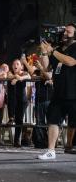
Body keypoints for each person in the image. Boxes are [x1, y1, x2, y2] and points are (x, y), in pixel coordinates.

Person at [38, 23, 76, 159]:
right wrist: (44, 52)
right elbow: (47, 68)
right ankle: (51, 150)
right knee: (53, 120)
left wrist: (53, 51)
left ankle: (70, 145)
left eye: (68, 32)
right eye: (64, 31)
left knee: (73, 122)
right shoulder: (58, 49)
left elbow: (71, 62)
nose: (65, 33)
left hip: (74, 93)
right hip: (59, 93)